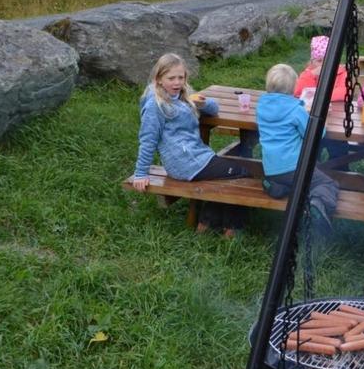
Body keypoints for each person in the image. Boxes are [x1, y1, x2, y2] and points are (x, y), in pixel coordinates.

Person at [131, 53, 248, 238]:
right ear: (159, 79)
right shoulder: (155, 105)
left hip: (196, 157)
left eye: (181, 77)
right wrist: (141, 173)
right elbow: (147, 139)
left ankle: (208, 221)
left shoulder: (181, 96)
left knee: (226, 174)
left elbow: (214, 109)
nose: (177, 82)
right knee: (243, 171)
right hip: (185, 162)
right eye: (171, 78)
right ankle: (231, 226)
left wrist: (201, 102)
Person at [256, 64, 339, 236]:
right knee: (327, 183)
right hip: (294, 168)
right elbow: (317, 133)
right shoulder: (295, 110)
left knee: (292, 182)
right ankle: (317, 204)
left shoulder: (261, 107)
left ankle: (275, 186)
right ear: (294, 87)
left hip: (271, 168)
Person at [293, 35, 348, 103]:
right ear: (312, 61)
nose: (323, 64)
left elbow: (343, 93)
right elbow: (299, 92)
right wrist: (311, 75)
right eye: (319, 61)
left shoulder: (341, 73)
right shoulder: (308, 73)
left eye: (327, 60)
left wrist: (316, 95)